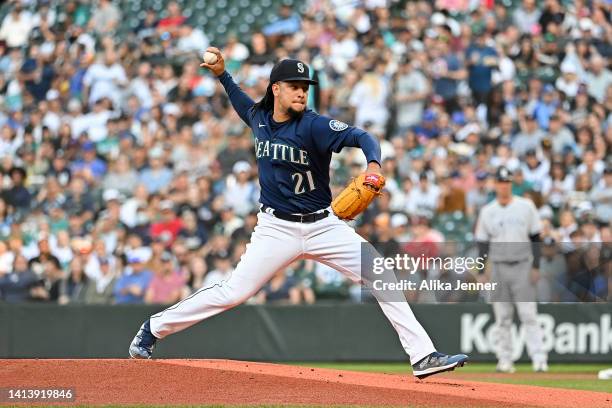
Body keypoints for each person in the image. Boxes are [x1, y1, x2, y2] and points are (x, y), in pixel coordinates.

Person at [128, 48, 468, 379]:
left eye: (305, 88)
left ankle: (423, 356)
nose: (302, 93)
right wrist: (221, 74)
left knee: (381, 274)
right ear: (276, 89)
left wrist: (374, 164)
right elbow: (239, 100)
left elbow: (362, 136)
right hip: (275, 228)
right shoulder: (259, 117)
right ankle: (152, 328)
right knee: (233, 292)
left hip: (324, 225)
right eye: (294, 86)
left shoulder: (314, 125)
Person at [475, 166, 548, 373]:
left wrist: (536, 266)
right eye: (500, 182)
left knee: (529, 315)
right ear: (496, 184)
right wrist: (482, 271)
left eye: (507, 182)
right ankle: (504, 359)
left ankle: (539, 359)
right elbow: (482, 244)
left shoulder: (525, 206)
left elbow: (535, 237)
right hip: (498, 266)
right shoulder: (488, 211)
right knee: (502, 317)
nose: (504, 185)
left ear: (511, 184)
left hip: (522, 264)